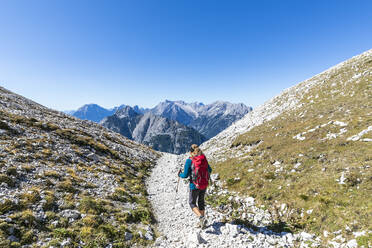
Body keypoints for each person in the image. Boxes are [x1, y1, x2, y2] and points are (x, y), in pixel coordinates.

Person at [178, 144, 212, 228]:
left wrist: (180, 174)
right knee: (201, 202)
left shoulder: (189, 160)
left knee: (192, 203)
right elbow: (210, 170)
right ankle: (202, 222)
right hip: (204, 184)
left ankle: (201, 217)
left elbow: (185, 175)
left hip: (194, 185)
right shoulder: (203, 158)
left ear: (191, 152)